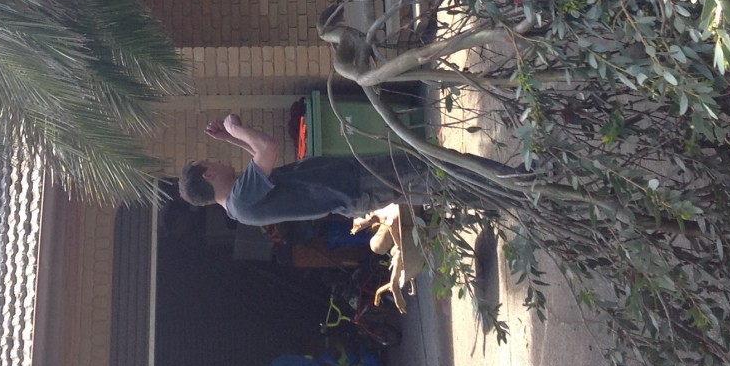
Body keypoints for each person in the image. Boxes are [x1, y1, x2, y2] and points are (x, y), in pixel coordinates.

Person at [179, 113, 517, 227]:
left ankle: (513, 196)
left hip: (354, 186)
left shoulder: (241, 203)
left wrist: (230, 139)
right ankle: (521, 183)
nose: (217, 160)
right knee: (437, 167)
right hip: (356, 184)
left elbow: (259, 159)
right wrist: (236, 129)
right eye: (211, 161)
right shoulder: (241, 200)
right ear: (208, 175)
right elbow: (266, 148)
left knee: (439, 184)